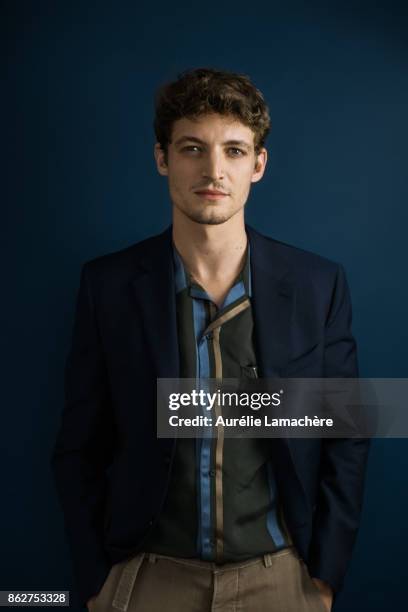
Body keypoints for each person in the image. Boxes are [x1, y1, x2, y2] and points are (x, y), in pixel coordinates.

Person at [51, 68, 370, 612]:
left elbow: (347, 438)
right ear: (162, 159)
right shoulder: (106, 286)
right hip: (147, 579)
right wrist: (96, 581)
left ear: (259, 165)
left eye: (235, 151)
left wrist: (324, 581)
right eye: (193, 148)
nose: (214, 170)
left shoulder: (319, 285)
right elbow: (79, 446)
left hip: (280, 580)